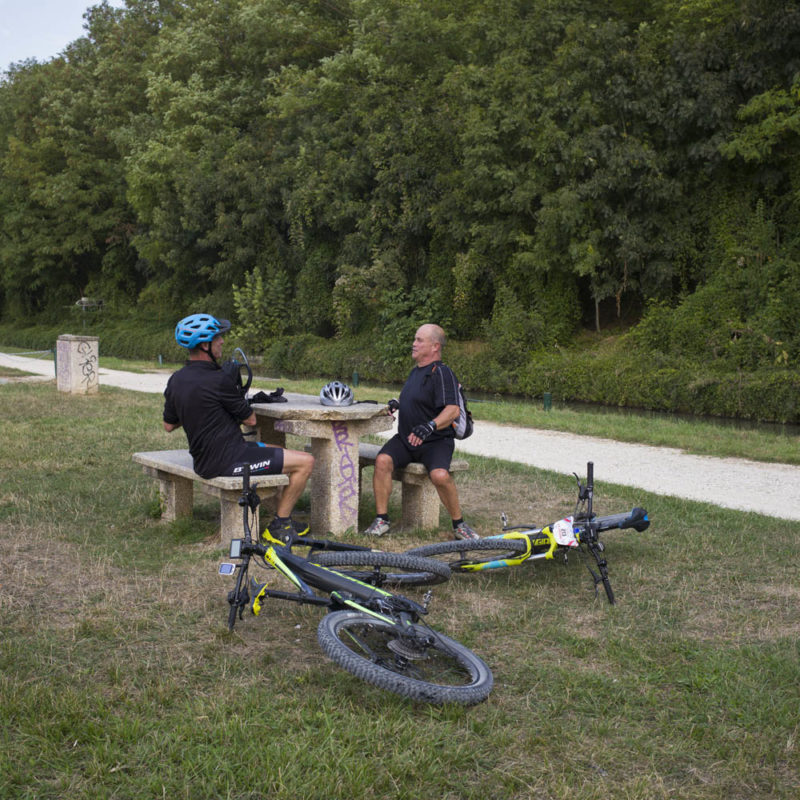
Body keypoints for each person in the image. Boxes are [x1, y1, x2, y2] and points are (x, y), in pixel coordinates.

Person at [162, 313, 314, 541]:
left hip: (206, 458)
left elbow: (169, 424)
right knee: (305, 462)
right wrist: (233, 391)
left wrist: (202, 406)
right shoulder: (219, 380)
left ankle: (282, 515)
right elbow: (251, 420)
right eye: (217, 338)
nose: (222, 342)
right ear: (205, 346)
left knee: (272, 447)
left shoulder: (176, 379)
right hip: (227, 461)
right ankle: (279, 526)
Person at [362, 323, 479, 540]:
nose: (413, 344)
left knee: (440, 475)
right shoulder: (416, 372)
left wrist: (430, 426)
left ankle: (459, 525)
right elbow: (418, 399)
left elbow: (452, 410)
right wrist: (397, 404)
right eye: (415, 340)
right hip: (407, 439)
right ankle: (382, 520)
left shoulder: (442, 373)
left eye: (419, 340)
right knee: (382, 461)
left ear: (435, 346)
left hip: (435, 441)